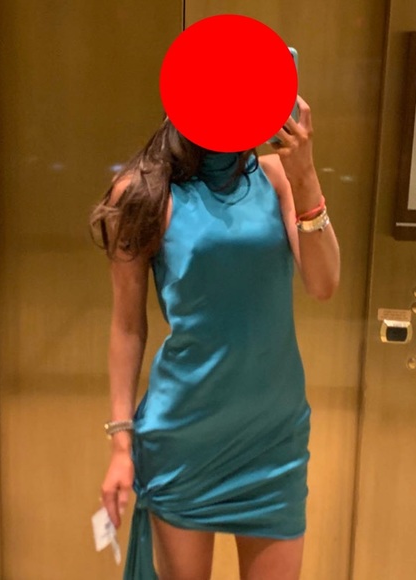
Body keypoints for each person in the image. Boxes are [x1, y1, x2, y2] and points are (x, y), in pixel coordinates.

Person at [91, 95, 340, 580]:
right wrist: (121, 444)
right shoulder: (142, 192)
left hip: (273, 440)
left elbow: (324, 283)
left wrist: (306, 174)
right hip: (183, 437)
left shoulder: (277, 177)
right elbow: (127, 326)